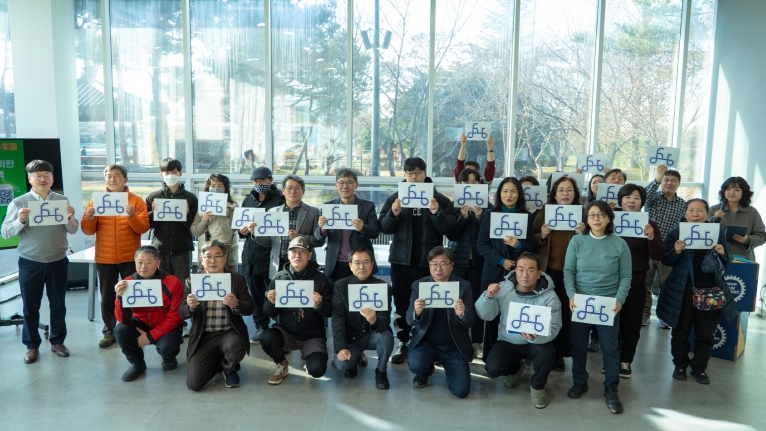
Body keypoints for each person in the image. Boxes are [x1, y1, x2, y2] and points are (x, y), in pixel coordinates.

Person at [379, 157, 457, 365]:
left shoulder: (439, 199)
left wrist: (436, 213)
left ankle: (428, 343)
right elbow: (383, 228)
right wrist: (393, 214)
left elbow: (450, 229)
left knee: (429, 303)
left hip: (429, 264)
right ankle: (403, 342)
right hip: (401, 261)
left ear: (425, 173)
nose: (414, 177)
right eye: (410, 173)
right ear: (405, 175)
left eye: (418, 172)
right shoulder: (395, 198)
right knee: (402, 303)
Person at [1, 160, 79, 364]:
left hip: (58, 260)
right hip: (31, 262)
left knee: (58, 304)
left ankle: (58, 342)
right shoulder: (19, 202)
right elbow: (5, 233)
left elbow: (73, 229)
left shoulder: (62, 200)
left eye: (47, 175)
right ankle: (31, 345)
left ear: (52, 178)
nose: (42, 179)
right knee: (30, 306)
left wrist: (69, 217)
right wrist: (20, 220)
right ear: (30, 179)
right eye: (37, 176)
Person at [658, 199, 737, 385]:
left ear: (707, 214)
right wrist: (675, 251)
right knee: (680, 331)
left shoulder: (716, 232)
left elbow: (728, 260)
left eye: (700, 210)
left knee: (706, 333)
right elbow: (666, 261)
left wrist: (723, 253)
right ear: (685, 214)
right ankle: (680, 365)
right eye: (691, 210)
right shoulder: (676, 232)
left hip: (710, 290)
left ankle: (700, 368)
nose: (695, 214)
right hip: (682, 291)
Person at [564, 200, 631, 414]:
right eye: (592, 214)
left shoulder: (620, 244)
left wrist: (619, 299)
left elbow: (626, 276)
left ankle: (611, 388)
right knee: (579, 345)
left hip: (608, 304)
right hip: (581, 302)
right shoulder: (577, 241)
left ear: (609, 218)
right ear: (586, 219)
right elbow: (568, 271)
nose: (596, 218)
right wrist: (572, 295)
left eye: (601, 214)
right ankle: (579, 381)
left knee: (610, 348)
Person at [476, 252, 562, 409]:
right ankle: (515, 369)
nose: (525, 275)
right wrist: (488, 297)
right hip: (508, 340)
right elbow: (485, 315)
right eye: (521, 269)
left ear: (539, 273)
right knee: (493, 368)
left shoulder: (550, 296)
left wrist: (536, 337)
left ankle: (537, 386)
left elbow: (555, 327)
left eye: (530, 270)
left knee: (547, 354)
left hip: (537, 342)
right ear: (515, 271)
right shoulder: (503, 288)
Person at [81, 164, 150, 348]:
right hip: (105, 257)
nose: (112, 179)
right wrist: (90, 218)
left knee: (132, 295)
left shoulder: (136, 201)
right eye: (109, 176)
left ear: (125, 179)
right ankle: (109, 330)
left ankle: (132, 328)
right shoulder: (96, 201)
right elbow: (87, 230)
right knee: (107, 297)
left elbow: (143, 228)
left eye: (116, 175)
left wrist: (132, 216)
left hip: (130, 257)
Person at [476, 176, 536, 360]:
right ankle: (489, 357)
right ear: (499, 194)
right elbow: (481, 245)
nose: (509, 195)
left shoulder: (526, 217)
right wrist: (501, 260)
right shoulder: (489, 215)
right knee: (491, 316)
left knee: (515, 313)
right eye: (505, 191)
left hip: (518, 275)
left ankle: (515, 357)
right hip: (493, 271)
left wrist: (519, 245)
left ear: (519, 194)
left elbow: (532, 246)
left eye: (513, 191)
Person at [180, 241, 253, 390]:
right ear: (202, 260)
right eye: (208, 256)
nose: (212, 260)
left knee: (235, 347)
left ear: (224, 258)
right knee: (194, 384)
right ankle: (218, 360)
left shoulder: (237, 279)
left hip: (229, 333)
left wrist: (236, 303)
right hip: (204, 335)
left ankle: (230, 369)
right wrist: (190, 307)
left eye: (217, 256)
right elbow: (181, 312)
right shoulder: (192, 281)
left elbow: (250, 308)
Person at [532, 175, 585, 372]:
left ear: (575, 194)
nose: (565, 194)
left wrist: (584, 233)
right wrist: (543, 235)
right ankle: (544, 350)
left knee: (565, 312)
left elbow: (594, 239)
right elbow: (531, 237)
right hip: (548, 270)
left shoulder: (582, 213)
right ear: (554, 194)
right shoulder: (545, 211)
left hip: (571, 273)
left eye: (569, 190)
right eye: (561, 190)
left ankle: (560, 353)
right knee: (546, 311)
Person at [262, 237, 333, 384]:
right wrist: (271, 303)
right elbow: (268, 313)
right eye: (294, 251)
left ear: (310, 255)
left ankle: (309, 358)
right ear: (288, 254)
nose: (297, 256)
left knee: (317, 370)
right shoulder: (279, 278)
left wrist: (319, 304)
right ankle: (281, 363)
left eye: (302, 252)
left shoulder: (321, 279)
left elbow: (330, 312)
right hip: (285, 332)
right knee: (266, 337)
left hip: (312, 336)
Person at [406, 247, 475, 398]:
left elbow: (470, 321)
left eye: (443, 264)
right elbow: (409, 320)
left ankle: (451, 370)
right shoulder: (419, 285)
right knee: (416, 365)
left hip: (453, 345)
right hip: (426, 343)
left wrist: (462, 314)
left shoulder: (464, 286)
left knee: (461, 391)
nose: (438, 268)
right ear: (429, 265)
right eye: (434, 264)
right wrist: (416, 312)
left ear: (452, 265)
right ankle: (425, 371)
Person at [613, 184, 666, 378]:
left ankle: (625, 360)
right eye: (627, 197)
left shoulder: (649, 224)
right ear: (621, 200)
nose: (631, 201)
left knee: (631, 323)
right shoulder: (610, 221)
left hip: (635, 282)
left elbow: (658, 254)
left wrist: (651, 237)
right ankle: (611, 358)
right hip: (610, 281)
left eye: (636, 198)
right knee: (611, 323)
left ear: (642, 202)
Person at [113, 246, 184, 382]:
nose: (143, 267)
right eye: (139, 262)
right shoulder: (128, 282)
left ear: (158, 263)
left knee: (168, 346)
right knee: (120, 329)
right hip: (140, 323)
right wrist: (120, 298)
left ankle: (168, 358)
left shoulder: (172, 282)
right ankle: (137, 364)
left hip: (165, 324)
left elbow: (176, 316)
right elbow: (122, 319)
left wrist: (150, 336)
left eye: (148, 262)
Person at [331, 248, 394, 389]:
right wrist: (341, 347)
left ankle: (381, 371)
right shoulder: (341, 286)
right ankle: (353, 361)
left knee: (386, 337)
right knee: (343, 364)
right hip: (351, 337)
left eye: (366, 262)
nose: (361, 267)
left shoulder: (383, 287)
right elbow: (337, 320)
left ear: (372, 264)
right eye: (357, 262)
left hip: (373, 335)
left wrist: (375, 320)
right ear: (350, 265)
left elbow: (385, 320)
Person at [239, 167, 285, 343]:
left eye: (262, 181)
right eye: (255, 181)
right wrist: (242, 231)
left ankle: (280, 327)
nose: (258, 184)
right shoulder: (248, 200)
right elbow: (240, 227)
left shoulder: (280, 200)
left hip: (271, 255)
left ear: (270, 180)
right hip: (250, 256)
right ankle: (260, 326)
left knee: (274, 293)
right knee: (256, 295)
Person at [448, 167, 489, 359]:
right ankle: (457, 339)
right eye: (466, 183)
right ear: (460, 184)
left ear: (480, 184)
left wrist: (480, 217)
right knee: (456, 301)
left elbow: (489, 235)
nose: (470, 186)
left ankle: (477, 341)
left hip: (479, 263)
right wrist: (462, 218)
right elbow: (451, 234)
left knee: (478, 303)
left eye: (474, 182)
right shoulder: (453, 206)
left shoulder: (487, 206)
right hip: (458, 261)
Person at [315, 169, 380, 285]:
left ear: (356, 185)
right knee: (336, 295)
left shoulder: (367, 206)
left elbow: (375, 232)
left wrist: (362, 228)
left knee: (360, 295)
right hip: (336, 263)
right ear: (336, 185)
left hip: (360, 264)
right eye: (341, 182)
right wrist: (322, 228)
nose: (345, 186)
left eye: (349, 182)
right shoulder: (327, 207)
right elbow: (317, 236)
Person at [254, 174, 321, 280]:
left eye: (296, 188)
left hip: (304, 265)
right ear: (283, 191)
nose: (293, 191)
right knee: (278, 291)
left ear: (303, 191)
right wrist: (255, 232)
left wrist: (299, 237)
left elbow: (319, 241)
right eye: (289, 188)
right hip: (278, 264)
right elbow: (268, 242)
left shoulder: (314, 212)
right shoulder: (273, 212)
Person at [644, 165, 685, 328]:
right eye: (666, 180)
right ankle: (644, 314)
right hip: (648, 247)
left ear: (678, 184)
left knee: (665, 284)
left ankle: (664, 316)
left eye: (673, 180)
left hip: (668, 250)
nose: (669, 183)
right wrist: (657, 178)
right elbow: (644, 196)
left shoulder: (682, 204)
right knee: (645, 283)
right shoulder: (652, 198)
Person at [145, 158, 198, 285]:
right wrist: (154, 214)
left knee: (181, 284)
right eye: (167, 173)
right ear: (161, 174)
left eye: (174, 172)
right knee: (162, 285)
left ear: (180, 173)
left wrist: (186, 214)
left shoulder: (190, 198)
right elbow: (147, 225)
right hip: (160, 248)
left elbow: (192, 226)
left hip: (182, 249)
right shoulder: (153, 197)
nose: (170, 176)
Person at [190, 174, 239, 272]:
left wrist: (221, 213)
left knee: (227, 276)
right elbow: (195, 232)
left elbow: (232, 229)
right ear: (208, 187)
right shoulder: (201, 206)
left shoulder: (233, 205)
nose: (216, 188)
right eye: (213, 185)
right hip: (205, 249)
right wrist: (204, 221)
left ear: (225, 188)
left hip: (225, 248)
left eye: (220, 186)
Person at [709, 177, 765, 261]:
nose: (732, 192)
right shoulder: (714, 209)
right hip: (717, 257)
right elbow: (704, 230)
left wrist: (747, 239)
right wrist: (715, 218)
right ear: (724, 191)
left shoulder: (752, 212)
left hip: (743, 258)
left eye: (737, 190)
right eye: (728, 189)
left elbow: (761, 236)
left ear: (744, 192)